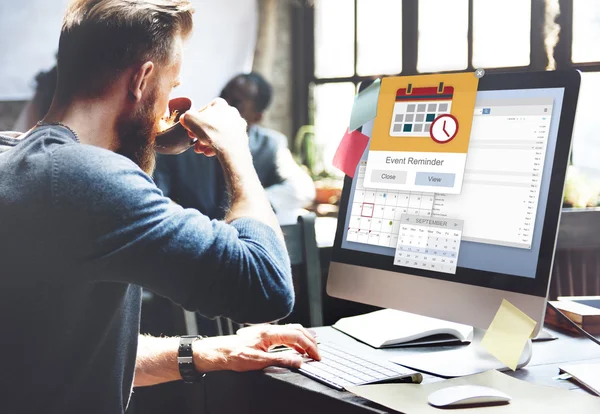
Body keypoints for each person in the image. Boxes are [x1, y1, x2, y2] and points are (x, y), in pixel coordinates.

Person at [0, 1, 319, 413]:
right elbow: (267, 286)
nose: (168, 104)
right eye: (171, 87)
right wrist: (237, 151)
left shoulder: (16, 156)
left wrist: (214, 351)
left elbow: (64, 354)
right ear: (142, 79)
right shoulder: (86, 178)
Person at [154, 72, 315, 221]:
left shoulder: (270, 145)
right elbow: (157, 196)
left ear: (257, 117)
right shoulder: (182, 141)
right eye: (223, 95)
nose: (223, 104)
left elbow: (302, 188)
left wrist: (250, 206)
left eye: (237, 102)